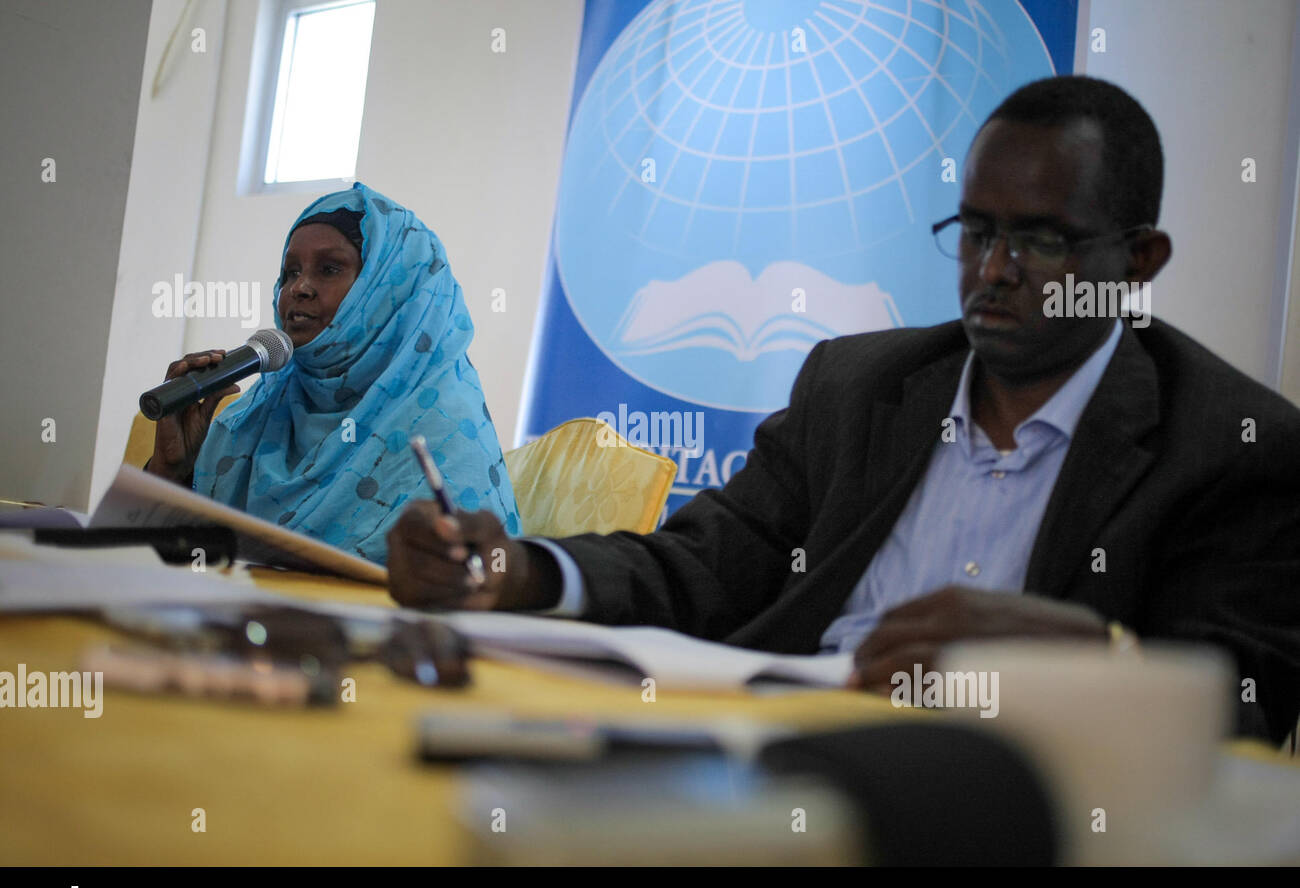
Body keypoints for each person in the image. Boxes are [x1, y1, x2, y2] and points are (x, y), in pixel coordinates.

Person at [384, 77, 1300, 744]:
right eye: (977, 230)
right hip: (778, 752)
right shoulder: (858, 387)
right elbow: (705, 564)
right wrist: (518, 571)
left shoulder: (1229, 442)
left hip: (1011, 798)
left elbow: (1252, 708)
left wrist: (1095, 659)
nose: (992, 271)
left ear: (1139, 262)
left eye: (1041, 241)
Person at [146, 182, 519, 564]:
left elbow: (469, 592)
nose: (299, 289)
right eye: (290, 272)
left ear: (391, 288)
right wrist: (172, 471)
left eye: (329, 269)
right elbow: (156, 567)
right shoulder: (249, 420)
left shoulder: (445, 429)